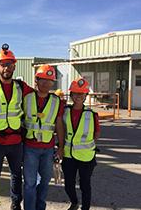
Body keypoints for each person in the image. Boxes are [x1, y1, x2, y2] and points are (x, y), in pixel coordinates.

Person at [0, 44, 33, 210]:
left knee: (16, 175)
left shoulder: (21, 86)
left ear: (14, 66)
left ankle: (15, 204)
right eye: (3, 64)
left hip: (15, 141)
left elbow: (40, 95)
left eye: (10, 64)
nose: (6, 68)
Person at [22, 64, 64, 210]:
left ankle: (40, 207)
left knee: (45, 181)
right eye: (42, 79)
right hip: (30, 148)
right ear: (36, 80)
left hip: (48, 148)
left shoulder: (56, 101)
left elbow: (59, 124)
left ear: (53, 82)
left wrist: (61, 147)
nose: (46, 83)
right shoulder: (26, 98)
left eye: (49, 80)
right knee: (30, 183)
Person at [62, 78, 100, 210]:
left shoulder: (92, 114)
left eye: (81, 93)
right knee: (68, 185)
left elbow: (96, 133)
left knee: (85, 185)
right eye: (75, 93)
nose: (78, 96)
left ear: (85, 96)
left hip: (86, 156)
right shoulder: (65, 111)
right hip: (68, 155)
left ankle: (85, 208)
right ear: (71, 95)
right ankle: (74, 201)